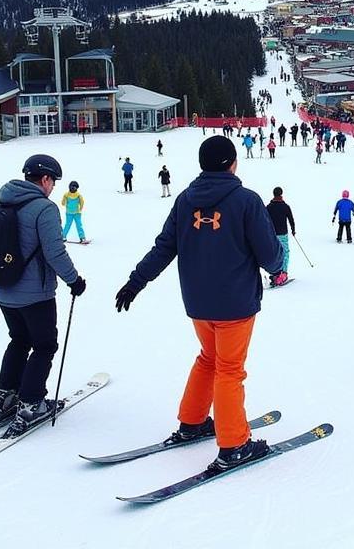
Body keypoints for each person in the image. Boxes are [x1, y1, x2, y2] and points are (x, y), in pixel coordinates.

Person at [114, 136, 283, 472]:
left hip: (198, 303)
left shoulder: (185, 200)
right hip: (235, 304)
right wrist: (279, 267)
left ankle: (192, 421)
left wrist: (136, 282)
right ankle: (234, 443)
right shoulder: (246, 201)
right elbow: (269, 254)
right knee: (229, 370)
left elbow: (164, 247)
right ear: (233, 163)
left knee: (209, 358)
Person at [0, 155, 85, 435]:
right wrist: (74, 280)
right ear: (45, 179)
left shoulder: (6, 200)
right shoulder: (44, 208)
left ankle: (6, 397)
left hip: (2, 289)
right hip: (34, 294)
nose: (53, 188)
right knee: (44, 345)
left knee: (19, 339)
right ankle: (31, 403)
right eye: (53, 181)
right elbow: (54, 251)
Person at [264, 187, 294, 284]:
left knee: (274, 253)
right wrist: (293, 230)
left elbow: (264, 219)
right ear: (281, 194)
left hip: (272, 234)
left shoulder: (269, 207)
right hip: (283, 234)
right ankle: (283, 274)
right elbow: (291, 219)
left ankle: (275, 273)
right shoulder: (285, 206)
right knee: (285, 252)